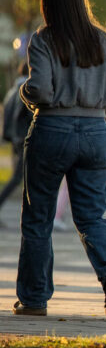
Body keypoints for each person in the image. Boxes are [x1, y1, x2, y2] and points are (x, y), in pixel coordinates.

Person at [13, 0, 106, 318]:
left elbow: (41, 89)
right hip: (96, 132)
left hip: (52, 130)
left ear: (48, 3)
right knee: (92, 217)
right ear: (80, 0)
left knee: (38, 219)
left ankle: (33, 299)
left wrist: (24, 93)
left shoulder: (43, 39)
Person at [0, 62, 34, 227]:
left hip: (15, 138)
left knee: (22, 177)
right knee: (19, 178)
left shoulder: (13, 89)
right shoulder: (26, 89)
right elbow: (28, 114)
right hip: (24, 138)